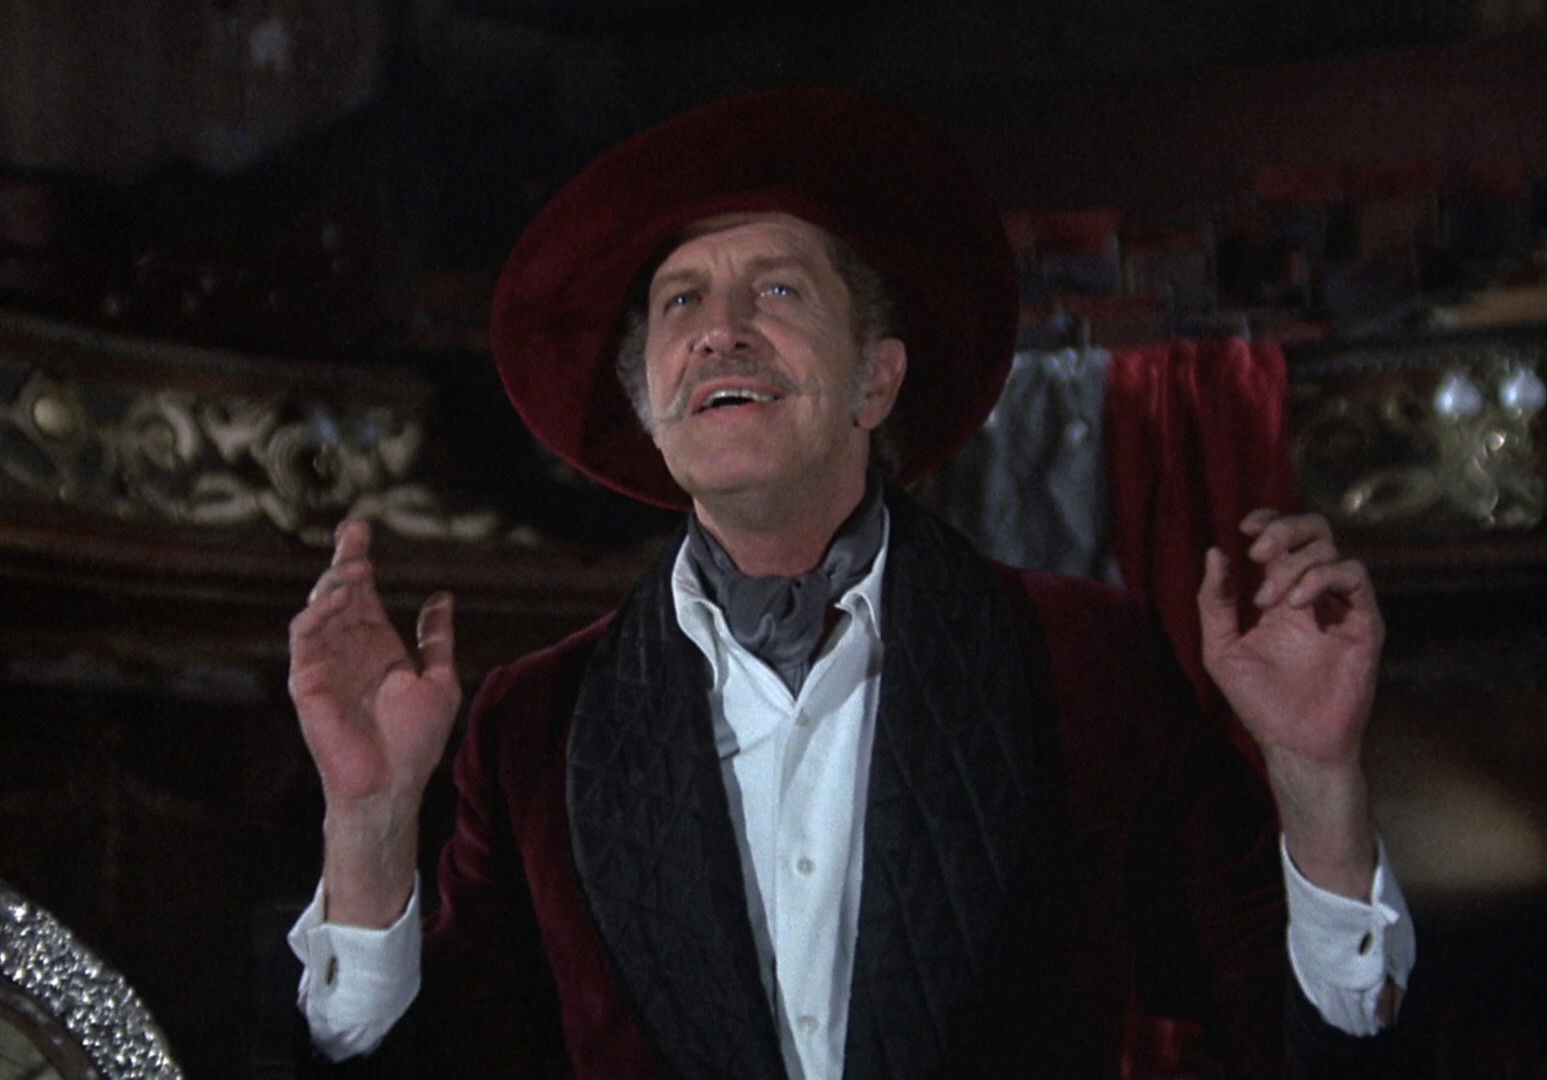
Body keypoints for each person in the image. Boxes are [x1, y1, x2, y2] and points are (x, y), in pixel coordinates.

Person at [284, 88, 1415, 1079]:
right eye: (681, 302)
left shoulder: (1086, 661)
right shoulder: (535, 723)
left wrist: (1319, 784)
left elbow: (1287, 1036)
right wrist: (368, 827)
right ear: (648, 409)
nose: (720, 333)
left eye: (778, 291)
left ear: (877, 381)